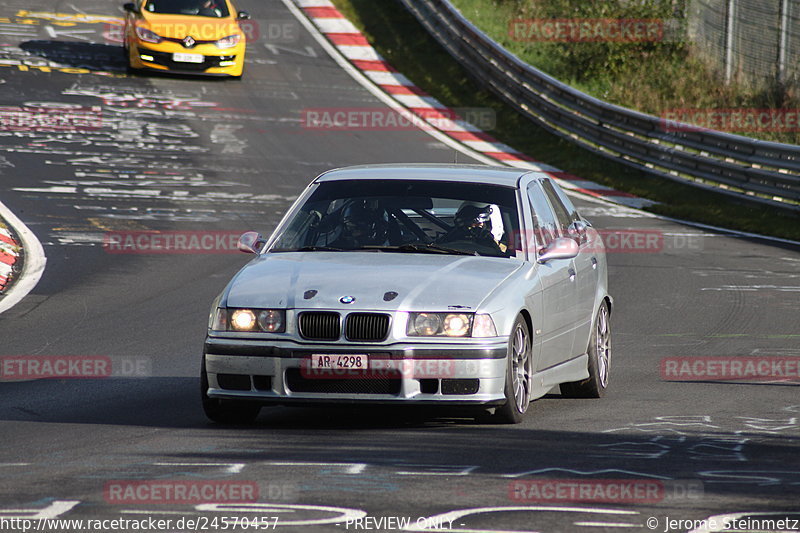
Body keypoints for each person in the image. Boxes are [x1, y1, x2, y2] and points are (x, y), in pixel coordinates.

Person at [438, 203, 505, 255]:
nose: (478, 226)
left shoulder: (495, 249)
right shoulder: (450, 238)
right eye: (472, 222)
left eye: (479, 223)